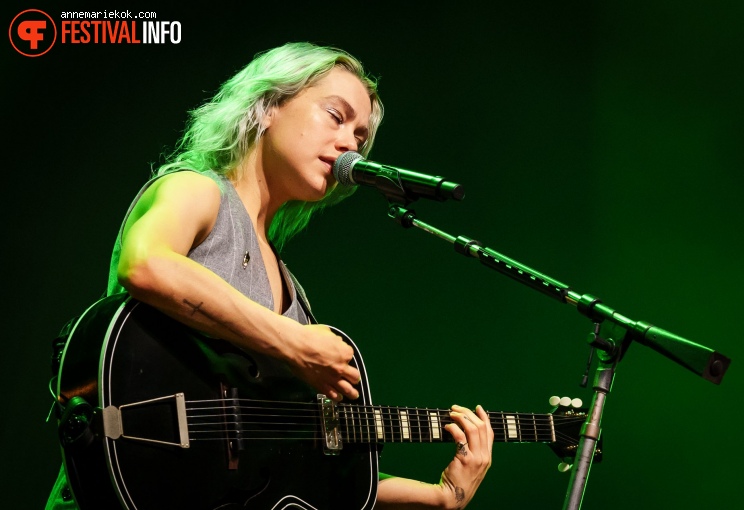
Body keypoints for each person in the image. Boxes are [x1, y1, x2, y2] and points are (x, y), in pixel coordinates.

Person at [46, 41, 493, 509]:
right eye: (335, 116)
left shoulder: (292, 295)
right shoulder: (197, 189)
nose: (350, 145)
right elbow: (146, 263)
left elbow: (295, 473)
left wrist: (443, 497)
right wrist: (293, 343)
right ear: (266, 107)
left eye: (361, 138)